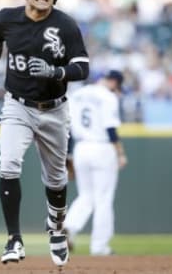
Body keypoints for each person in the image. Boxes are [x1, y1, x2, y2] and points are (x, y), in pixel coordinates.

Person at [0, 0, 90, 267]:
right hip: (17, 105)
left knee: (56, 178)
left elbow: (83, 66)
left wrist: (56, 71)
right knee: (8, 164)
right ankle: (13, 239)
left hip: (54, 109)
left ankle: (56, 229)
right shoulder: (7, 18)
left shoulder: (65, 24)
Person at [64, 70, 128, 256]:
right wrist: (121, 153)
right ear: (114, 82)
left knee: (86, 196)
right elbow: (110, 130)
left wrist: (68, 155)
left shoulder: (77, 94)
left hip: (81, 148)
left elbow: (66, 125)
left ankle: (68, 227)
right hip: (102, 147)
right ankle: (100, 247)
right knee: (104, 199)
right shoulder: (108, 96)